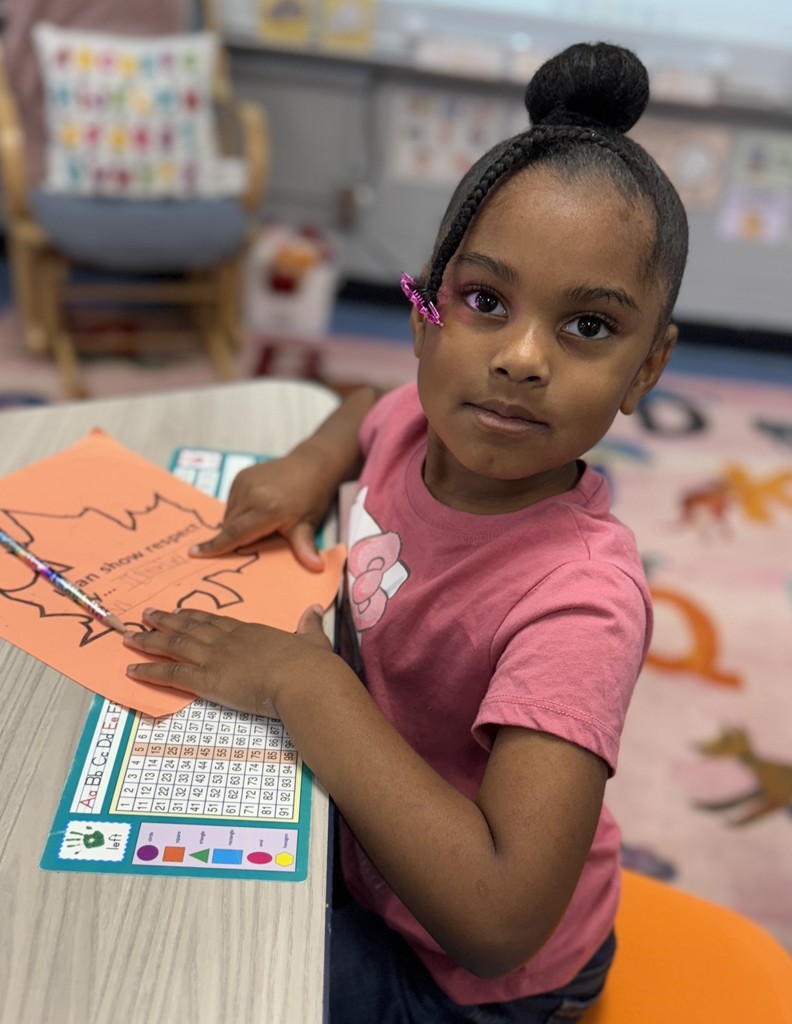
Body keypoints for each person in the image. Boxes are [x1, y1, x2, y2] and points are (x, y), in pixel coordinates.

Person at [123, 41, 689, 1023]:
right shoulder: (420, 422)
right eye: (484, 302)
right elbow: (360, 408)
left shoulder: (580, 603)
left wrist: (306, 686)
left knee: (194, 967)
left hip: (478, 982)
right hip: (376, 848)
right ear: (425, 312)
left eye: (588, 327)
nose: (518, 358)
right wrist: (309, 465)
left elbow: (500, 916)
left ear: (648, 368)